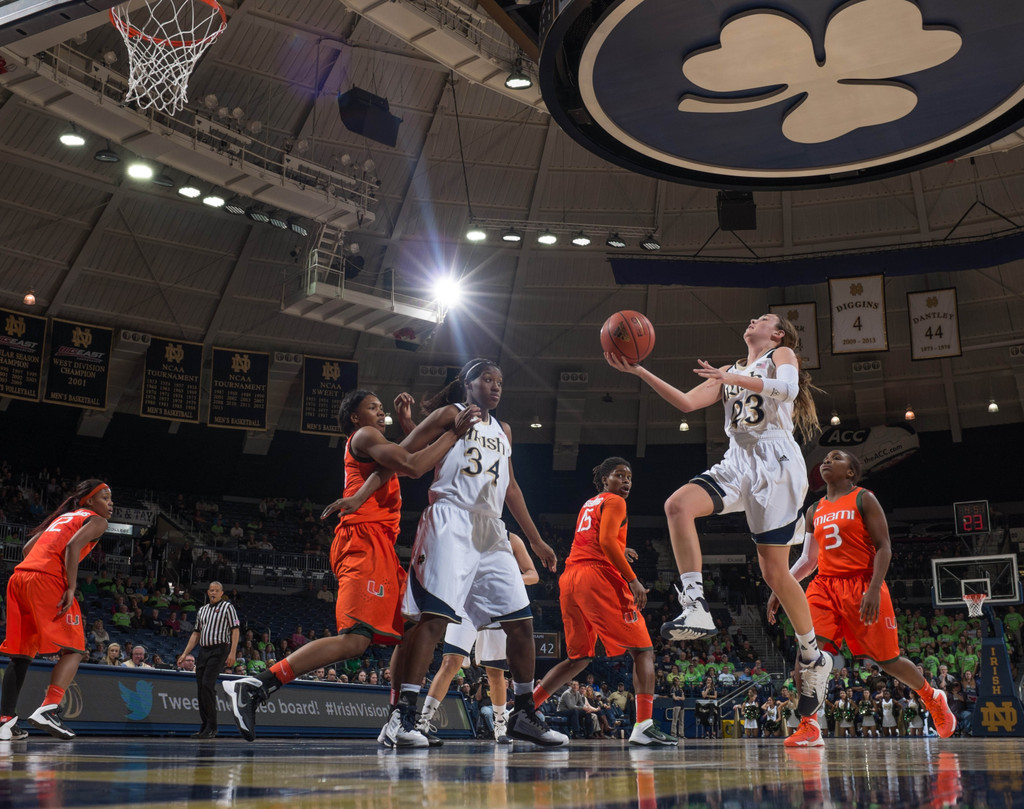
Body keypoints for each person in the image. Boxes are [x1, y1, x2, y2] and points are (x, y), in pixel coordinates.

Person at [606, 313, 833, 738]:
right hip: (737, 459)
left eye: (764, 318)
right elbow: (688, 403)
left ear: (777, 333)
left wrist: (733, 377)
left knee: (774, 573)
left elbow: (786, 390)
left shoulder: (779, 354)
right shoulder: (731, 369)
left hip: (776, 462)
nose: (753, 319)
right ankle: (695, 603)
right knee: (677, 505)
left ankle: (813, 654)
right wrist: (639, 369)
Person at [221, 389, 478, 744]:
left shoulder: (379, 446)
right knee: (356, 640)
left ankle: (398, 722)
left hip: (382, 547)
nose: (379, 410)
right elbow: (414, 465)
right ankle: (257, 685)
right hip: (362, 541)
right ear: (355, 418)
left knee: (411, 628)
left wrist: (407, 422)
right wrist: (454, 433)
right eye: (372, 407)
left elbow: (410, 453)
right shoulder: (365, 436)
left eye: (380, 406)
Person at [355, 359, 565, 748]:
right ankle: (403, 716)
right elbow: (400, 455)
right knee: (432, 621)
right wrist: (358, 496)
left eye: (500, 381)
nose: (496, 387)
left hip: (492, 530)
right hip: (450, 520)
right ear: (469, 384)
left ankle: (523, 712)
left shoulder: (503, 430)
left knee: (521, 622)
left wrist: (535, 540)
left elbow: (512, 488)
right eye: (488, 379)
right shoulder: (450, 414)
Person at [767, 449, 956, 745]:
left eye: (836, 458)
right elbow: (808, 559)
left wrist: (873, 589)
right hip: (824, 587)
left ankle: (932, 698)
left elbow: (884, 547)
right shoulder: (814, 509)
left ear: (852, 472)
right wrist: (782, 585)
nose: (827, 461)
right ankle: (809, 725)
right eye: (826, 459)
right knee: (807, 657)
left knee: (888, 661)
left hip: (863, 584)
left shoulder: (864, 498)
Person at [531, 457, 676, 745]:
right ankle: (644, 725)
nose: (626, 482)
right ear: (605, 479)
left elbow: (596, 541)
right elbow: (607, 543)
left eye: (629, 478)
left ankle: (523, 710)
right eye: (619, 476)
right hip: (597, 578)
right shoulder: (615, 502)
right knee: (643, 650)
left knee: (578, 658)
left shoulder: (589, 503)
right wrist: (633, 579)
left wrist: (624, 548)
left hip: (571, 579)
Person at [0, 479, 113, 741]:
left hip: (20, 578)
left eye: (111, 499)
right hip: (46, 580)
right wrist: (71, 586)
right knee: (75, 648)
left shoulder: (64, 518)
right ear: (89, 501)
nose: (110, 504)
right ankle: (48, 708)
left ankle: (6, 721)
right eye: (106, 498)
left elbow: (29, 549)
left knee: (21, 654)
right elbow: (73, 547)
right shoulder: (96, 520)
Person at [414, 531, 539, 746]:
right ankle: (423, 723)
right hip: (465, 604)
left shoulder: (510, 538)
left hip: (497, 605)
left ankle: (500, 726)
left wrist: (507, 579)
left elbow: (533, 574)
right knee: (450, 663)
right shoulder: (461, 532)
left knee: (495, 671)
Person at [176, 581, 240, 739]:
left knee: (207, 685)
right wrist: (184, 654)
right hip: (204, 650)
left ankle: (212, 726)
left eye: (217, 590)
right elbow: (196, 634)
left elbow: (235, 630)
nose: (213, 592)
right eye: (211, 590)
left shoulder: (227, 607)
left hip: (220, 649)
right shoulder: (202, 610)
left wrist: (232, 652)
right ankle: (205, 725)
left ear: (221, 592)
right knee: (201, 688)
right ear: (207, 592)